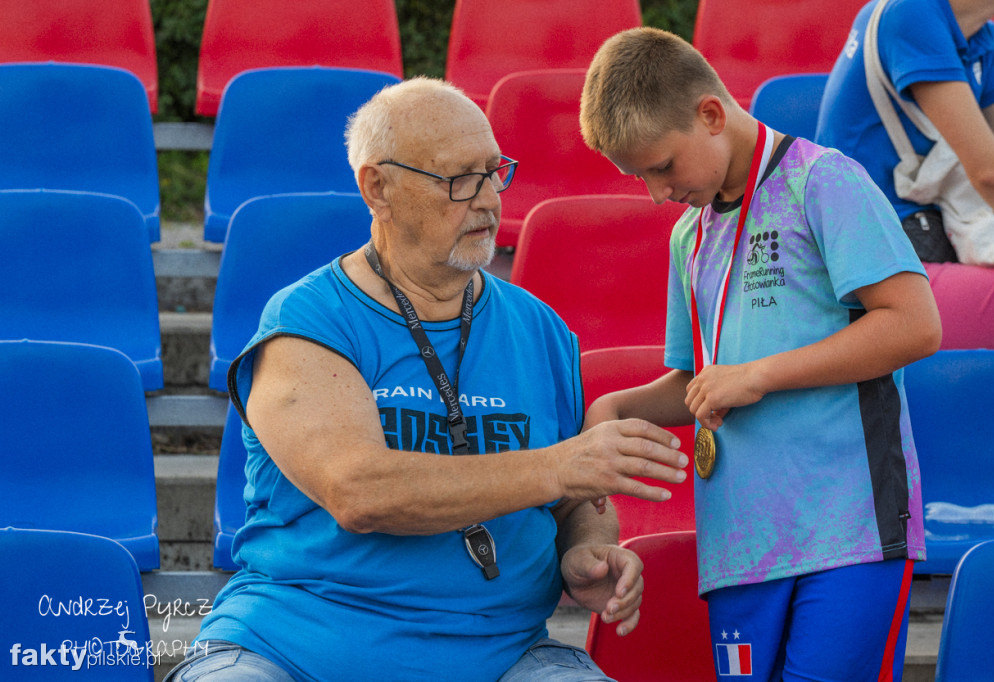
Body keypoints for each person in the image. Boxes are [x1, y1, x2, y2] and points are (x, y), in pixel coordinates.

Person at [163, 77, 689, 681]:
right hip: (293, 647)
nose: (490, 200)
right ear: (377, 188)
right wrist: (558, 466)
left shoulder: (540, 329)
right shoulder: (305, 320)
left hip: (501, 653)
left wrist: (584, 549)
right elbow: (360, 491)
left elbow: (576, 499)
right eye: (459, 179)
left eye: (495, 172)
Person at [579, 27, 942, 681]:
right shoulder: (689, 234)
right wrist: (613, 407)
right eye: (639, 178)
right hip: (741, 545)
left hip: (848, 530)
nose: (657, 194)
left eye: (661, 167)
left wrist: (761, 376)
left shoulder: (823, 181)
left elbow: (914, 326)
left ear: (711, 114)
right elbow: (700, 381)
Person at [816, 0, 994, 350]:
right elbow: (992, 176)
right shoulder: (910, 14)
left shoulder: (983, 38)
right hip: (865, 255)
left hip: (919, 233)